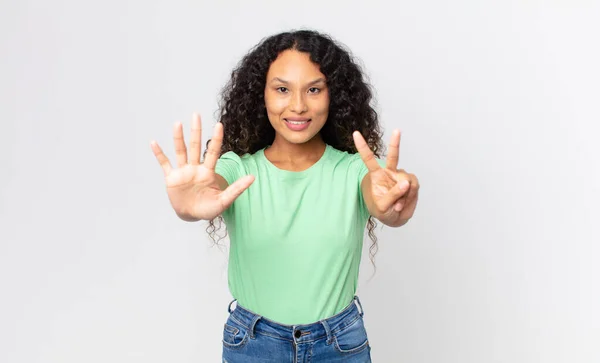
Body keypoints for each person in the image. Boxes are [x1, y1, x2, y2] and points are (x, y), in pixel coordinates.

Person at [150, 29, 420, 362]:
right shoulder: (236, 169)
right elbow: (210, 190)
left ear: (332, 95)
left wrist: (396, 203)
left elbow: (385, 200)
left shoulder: (357, 170)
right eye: (282, 89)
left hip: (339, 345)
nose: (297, 106)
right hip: (253, 344)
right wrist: (189, 207)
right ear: (260, 95)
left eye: (314, 90)